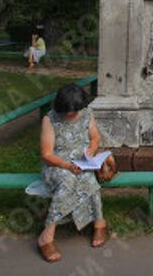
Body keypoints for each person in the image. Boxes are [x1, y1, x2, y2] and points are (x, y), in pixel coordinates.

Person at [38, 84, 106, 262]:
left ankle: (99, 223)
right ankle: (47, 235)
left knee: (89, 179)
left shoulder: (86, 113)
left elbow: (95, 137)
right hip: (57, 164)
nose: (71, 114)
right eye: (67, 111)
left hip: (82, 161)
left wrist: (91, 150)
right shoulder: (50, 119)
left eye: (75, 111)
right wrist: (67, 165)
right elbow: (46, 154)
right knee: (67, 182)